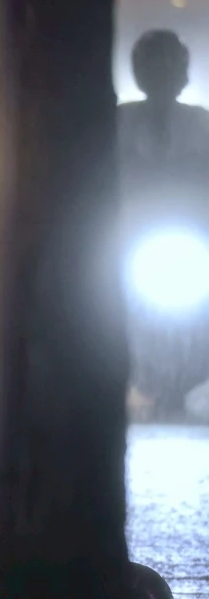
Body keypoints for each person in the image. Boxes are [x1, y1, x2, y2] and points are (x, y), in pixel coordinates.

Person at [118, 30, 209, 418]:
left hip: (191, 233)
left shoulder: (202, 124)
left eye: (173, 66)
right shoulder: (116, 122)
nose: (164, 75)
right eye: (153, 66)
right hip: (128, 235)